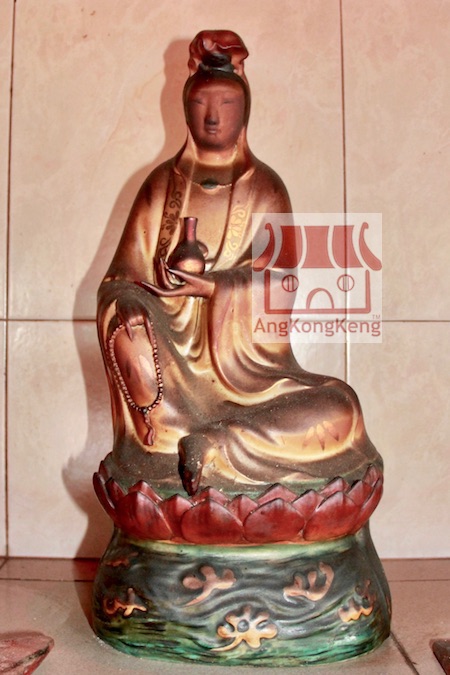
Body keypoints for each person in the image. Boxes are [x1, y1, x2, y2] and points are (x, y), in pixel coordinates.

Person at [97, 30, 381, 497]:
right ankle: (178, 439)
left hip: (253, 381)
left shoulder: (266, 187)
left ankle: (215, 445)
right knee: (123, 322)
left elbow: (282, 281)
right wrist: (127, 303)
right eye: (201, 103)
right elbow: (120, 280)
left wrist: (214, 287)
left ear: (245, 111)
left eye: (226, 103)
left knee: (341, 408)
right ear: (185, 108)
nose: (212, 116)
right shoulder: (159, 187)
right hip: (172, 382)